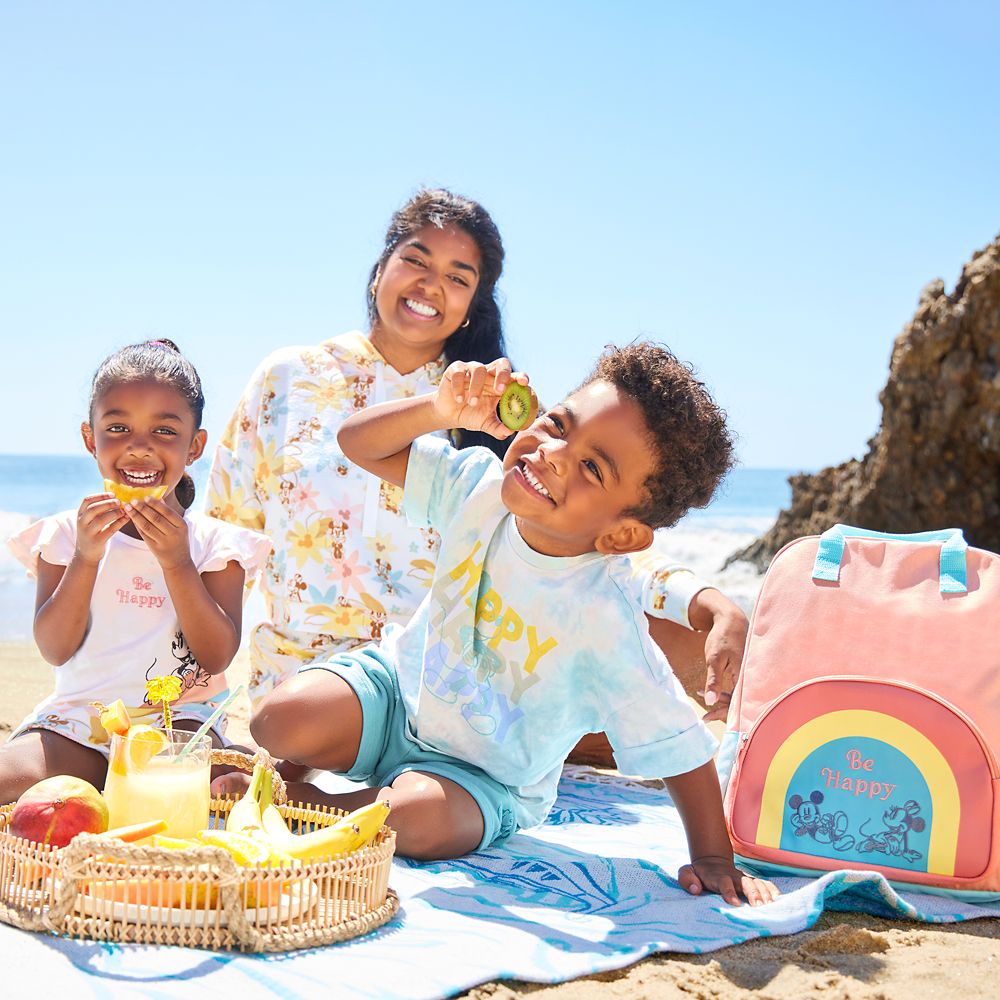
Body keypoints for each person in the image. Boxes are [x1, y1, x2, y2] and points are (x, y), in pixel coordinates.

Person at [249, 344, 778, 906]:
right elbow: (358, 442)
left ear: (620, 535)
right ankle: (296, 777)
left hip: (483, 779)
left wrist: (715, 859)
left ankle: (290, 807)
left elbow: (678, 741)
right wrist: (439, 409)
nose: (553, 453)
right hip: (395, 700)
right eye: (557, 424)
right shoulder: (476, 486)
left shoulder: (603, 618)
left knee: (412, 820)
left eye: (592, 468)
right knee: (276, 719)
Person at [206, 189, 747, 735]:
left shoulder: (491, 410)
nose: (430, 284)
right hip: (294, 687)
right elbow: (222, 540)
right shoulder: (288, 377)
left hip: (435, 695)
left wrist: (708, 599)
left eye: (458, 278)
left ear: (471, 308)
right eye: (415, 260)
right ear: (379, 271)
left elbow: (583, 543)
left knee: (648, 651)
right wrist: (194, 698)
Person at [0, 340, 271, 804]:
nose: (139, 447)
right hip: (80, 722)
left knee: (223, 785)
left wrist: (177, 563)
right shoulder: (65, 535)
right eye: (118, 427)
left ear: (195, 446)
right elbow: (55, 647)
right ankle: (104, 789)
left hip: (179, 721)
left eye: (165, 431)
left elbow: (215, 656)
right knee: (9, 779)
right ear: (91, 440)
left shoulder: (214, 545)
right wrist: (87, 557)